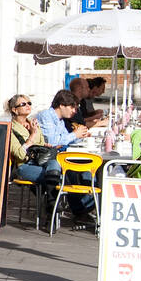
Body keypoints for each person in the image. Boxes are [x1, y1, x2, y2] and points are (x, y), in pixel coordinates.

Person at [34, 90, 95, 219]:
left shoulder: (60, 120)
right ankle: (82, 208)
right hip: (45, 158)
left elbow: (63, 138)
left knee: (87, 169)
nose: (74, 111)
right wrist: (74, 135)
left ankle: (86, 205)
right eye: (72, 107)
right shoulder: (46, 116)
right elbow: (52, 141)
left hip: (59, 156)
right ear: (62, 105)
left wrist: (80, 136)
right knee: (72, 171)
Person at [7, 93, 61, 212]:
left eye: (29, 103)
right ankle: (52, 206)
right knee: (55, 177)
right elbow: (20, 154)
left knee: (54, 166)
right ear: (14, 110)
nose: (28, 106)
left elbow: (41, 144)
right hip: (25, 165)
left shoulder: (33, 123)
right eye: (23, 104)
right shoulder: (10, 129)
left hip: (41, 163)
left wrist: (45, 145)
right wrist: (32, 135)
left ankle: (50, 203)